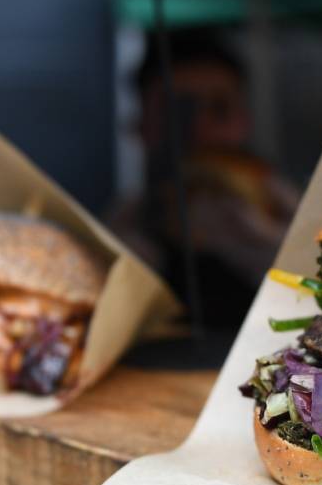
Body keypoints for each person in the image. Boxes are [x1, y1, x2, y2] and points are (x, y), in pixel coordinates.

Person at [109, 30, 300, 333]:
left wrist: (278, 252)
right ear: (140, 125)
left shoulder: (291, 213)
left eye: (219, 109)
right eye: (176, 112)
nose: (199, 128)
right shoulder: (120, 230)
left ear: (244, 119)